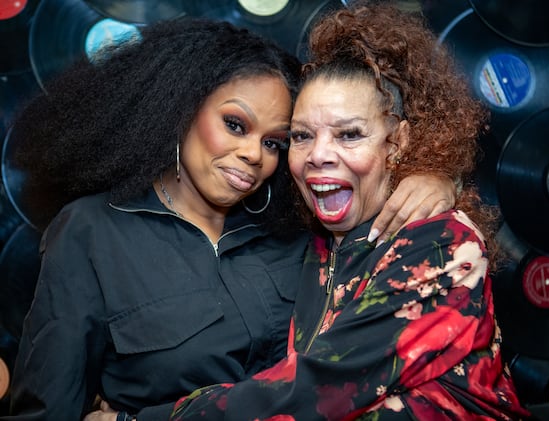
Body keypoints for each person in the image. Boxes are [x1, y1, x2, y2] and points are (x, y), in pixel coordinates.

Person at [1, 15, 456, 421]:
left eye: (275, 142)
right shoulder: (92, 231)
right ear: (180, 109)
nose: (253, 155)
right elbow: (46, 405)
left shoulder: (302, 225)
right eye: (236, 125)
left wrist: (433, 180)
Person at [152, 3, 531, 420]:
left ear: (398, 142)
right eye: (300, 136)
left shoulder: (441, 243)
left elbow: (316, 390)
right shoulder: (312, 242)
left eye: (349, 134)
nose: (318, 155)